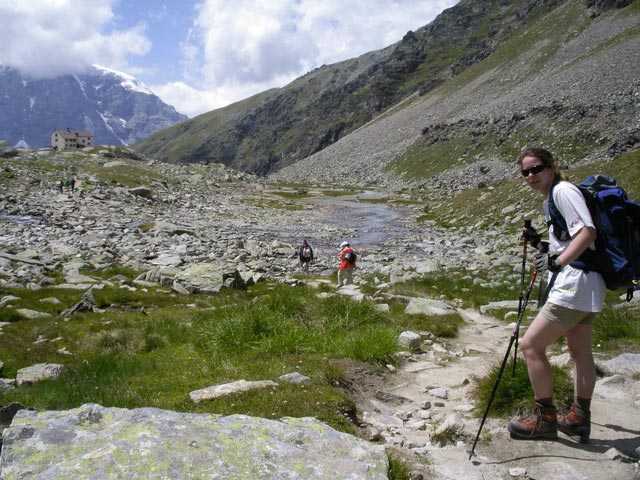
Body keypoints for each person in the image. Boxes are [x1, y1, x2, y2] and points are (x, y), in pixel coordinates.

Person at [508, 147, 605, 443]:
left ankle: (545, 418)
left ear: (551, 167)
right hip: (588, 284)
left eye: (536, 168)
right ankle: (578, 417)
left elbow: (587, 233)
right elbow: (565, 242)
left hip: (573, 284)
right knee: (578, 351)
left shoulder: (562, 191)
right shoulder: (556, 196)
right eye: (526, 172)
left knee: (530, 345)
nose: (531, 176)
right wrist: (540, 242)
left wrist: (558, 262)